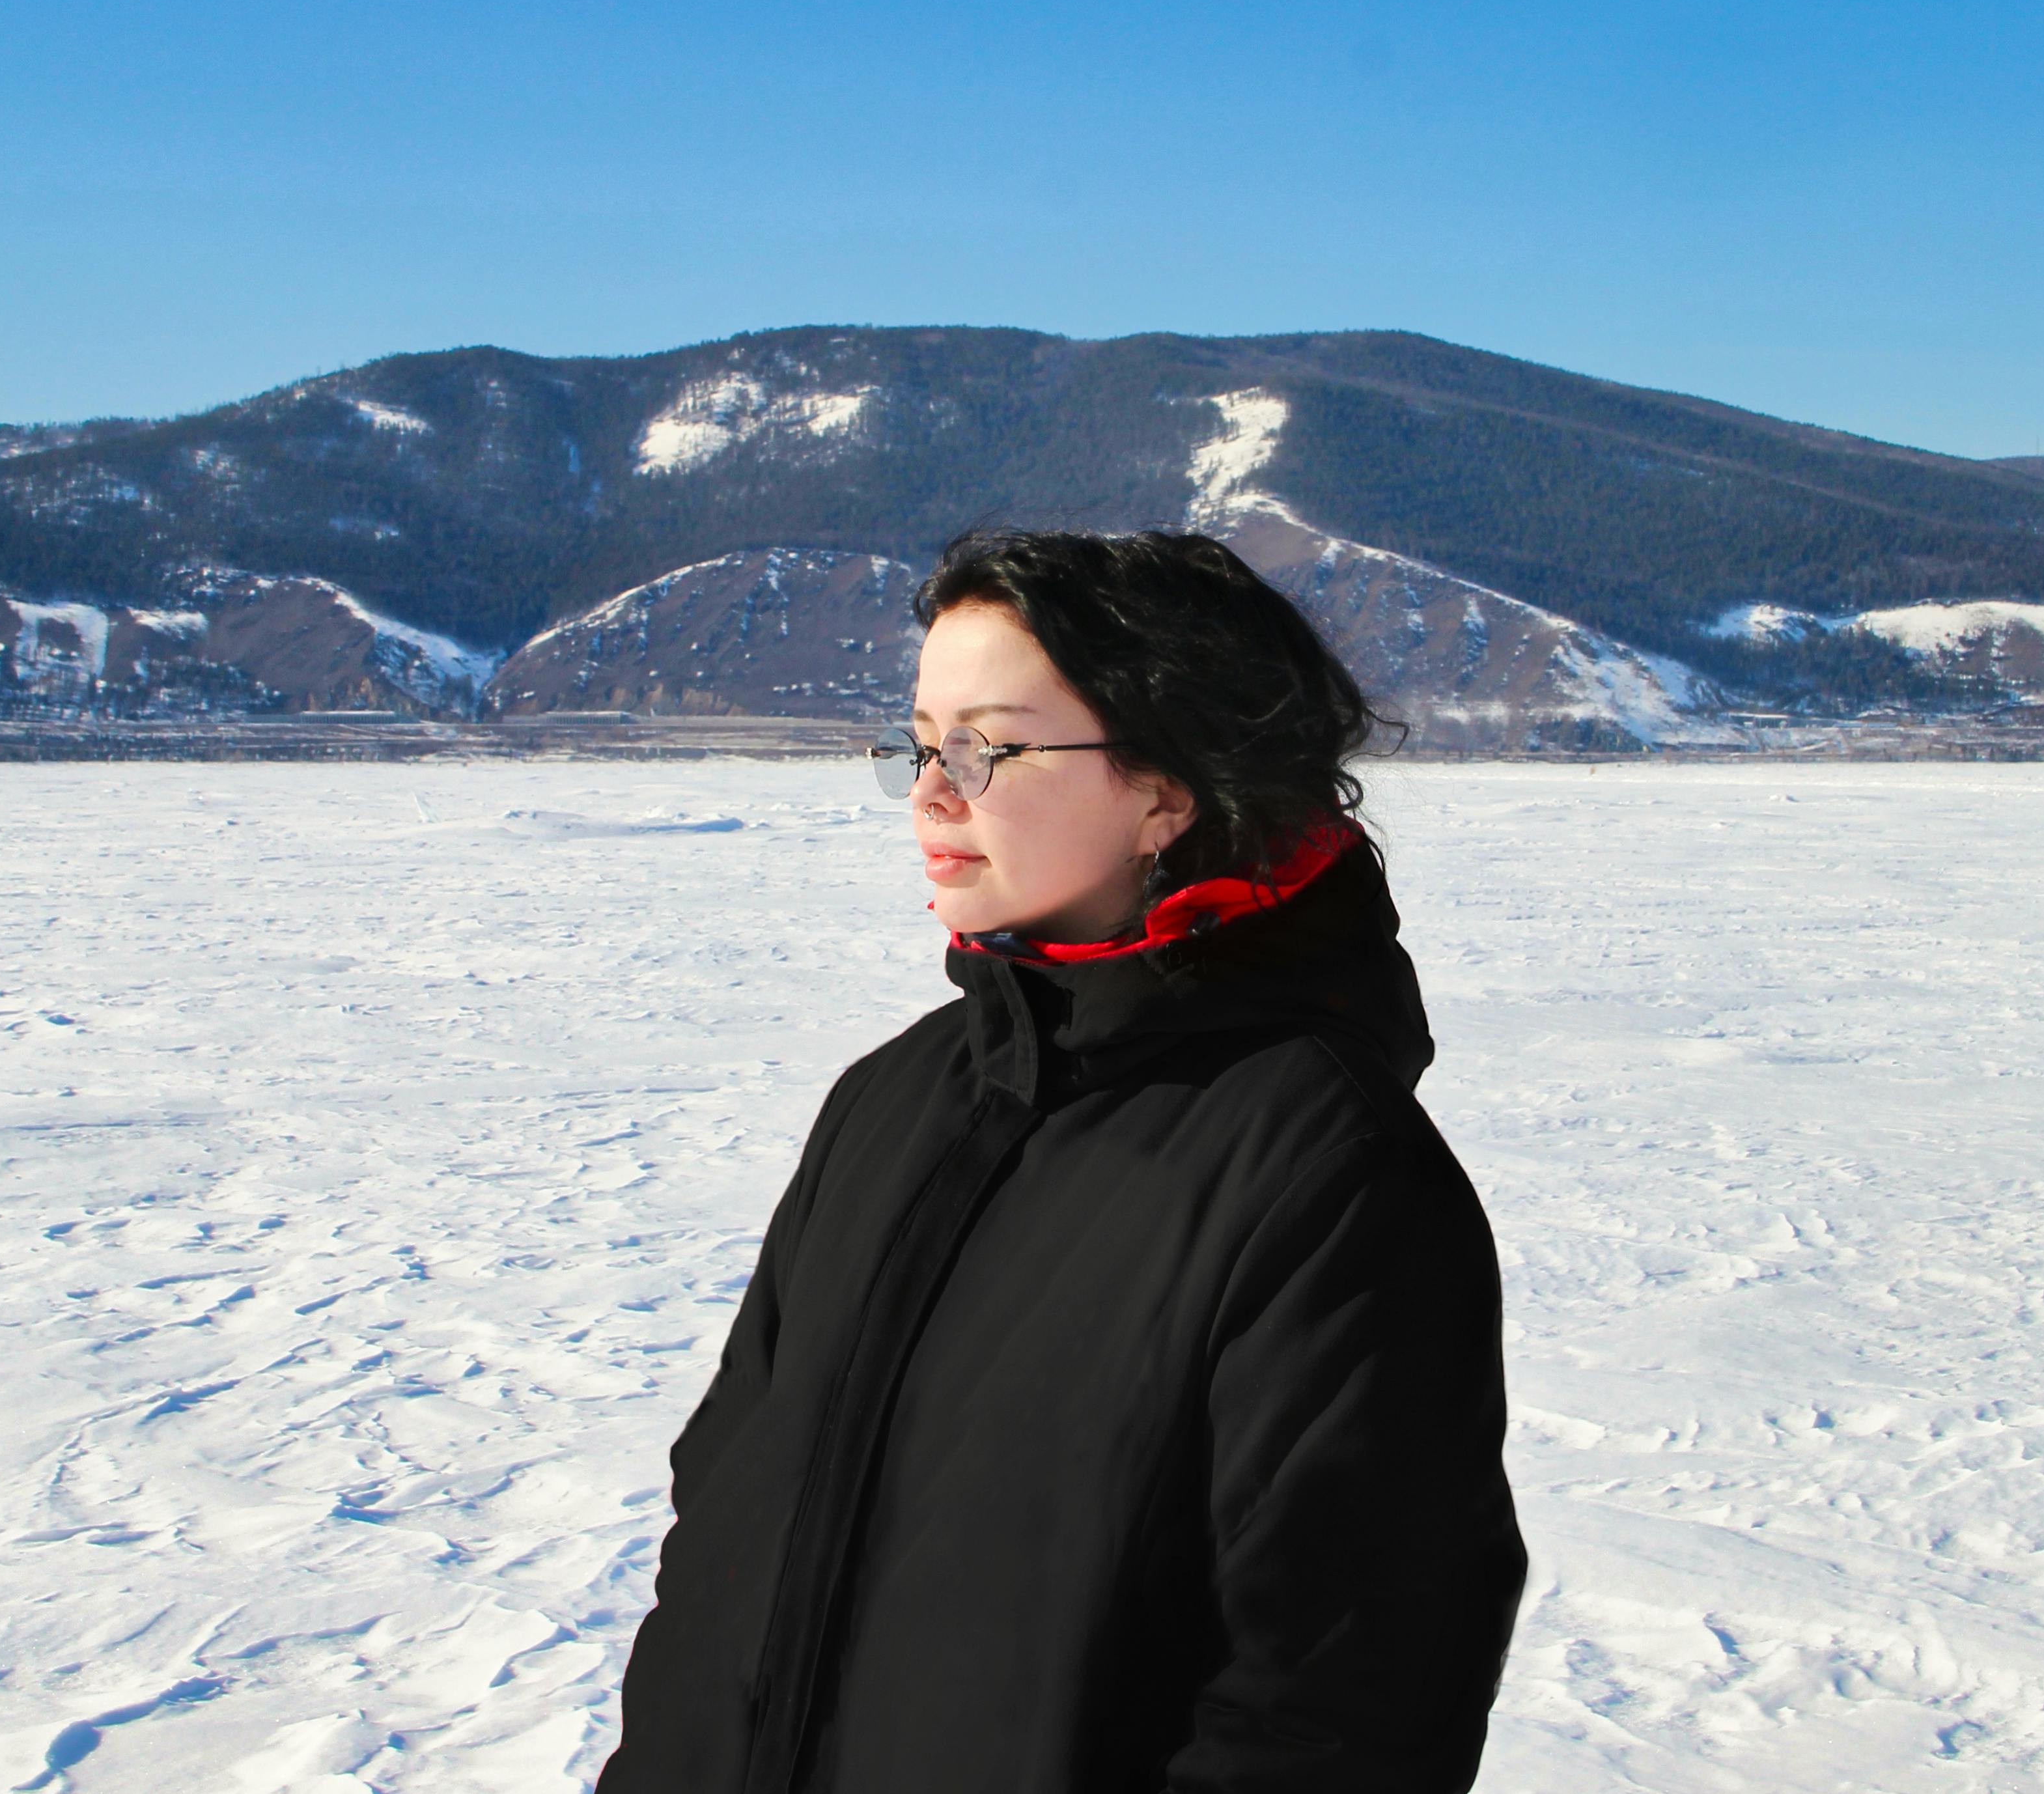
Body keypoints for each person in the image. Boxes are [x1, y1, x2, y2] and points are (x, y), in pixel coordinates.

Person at [599, 529, 1525, 1794]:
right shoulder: (891, 1099)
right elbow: (720, 1524)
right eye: (919, 743)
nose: (931, 792)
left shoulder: (1328, 1180)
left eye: (987, 746)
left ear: (1167, 788)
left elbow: (1336, 1717)